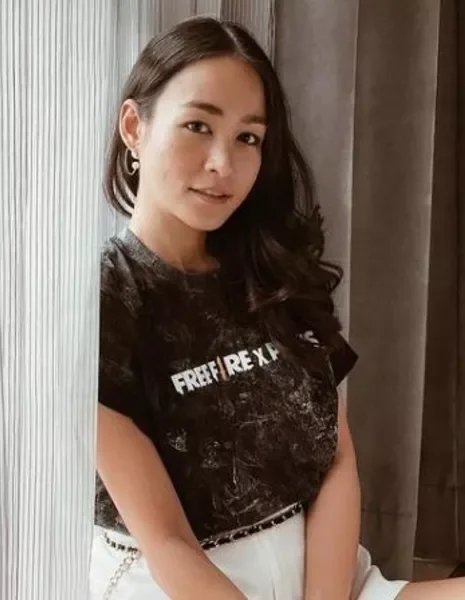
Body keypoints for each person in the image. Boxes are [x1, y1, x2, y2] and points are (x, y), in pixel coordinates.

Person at [90, 16, 465, 600]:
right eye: (197, 126)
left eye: (248, 138)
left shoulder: (271, 274)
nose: (223, 163)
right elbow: (167, 542)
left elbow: (335, 458)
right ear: (135, 127)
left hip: (328, 577)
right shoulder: (104, 302)